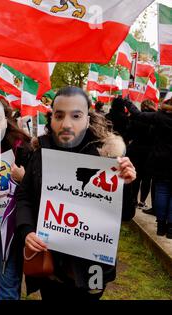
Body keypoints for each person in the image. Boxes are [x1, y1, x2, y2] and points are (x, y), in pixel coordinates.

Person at [16, 86, 136, 301]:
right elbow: (24, 197)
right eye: (59, 115)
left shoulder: (107, 159)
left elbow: (125, 215)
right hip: (51, 266)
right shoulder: (40, 154)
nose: (66, 124)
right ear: (51, 119)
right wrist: (27, 230)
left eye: (76, 116)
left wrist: (126, 184)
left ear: (88, 119)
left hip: (94, 267)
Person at [0, 98, 32, 300]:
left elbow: (40, 187)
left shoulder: (24, 149)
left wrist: (23, 178)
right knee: (1, 277)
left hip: (14, 228)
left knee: (8, 281)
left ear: (6, 121)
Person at [126, 98, 172, 238]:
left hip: (160, 159)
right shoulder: (159, 116)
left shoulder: (160, 116)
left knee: (162, 190)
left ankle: (161, 226)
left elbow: (138, 115)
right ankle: (170, 229)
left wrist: (128, 103)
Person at [126, 99, 156, 212]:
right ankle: (142, 201)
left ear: (142, 107)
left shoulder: (136, 117)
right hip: (150, 152)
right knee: (147, 178)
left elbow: (129, 132)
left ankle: (133, 199)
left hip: (135, 150)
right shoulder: (156, 118)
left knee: (136, 176)